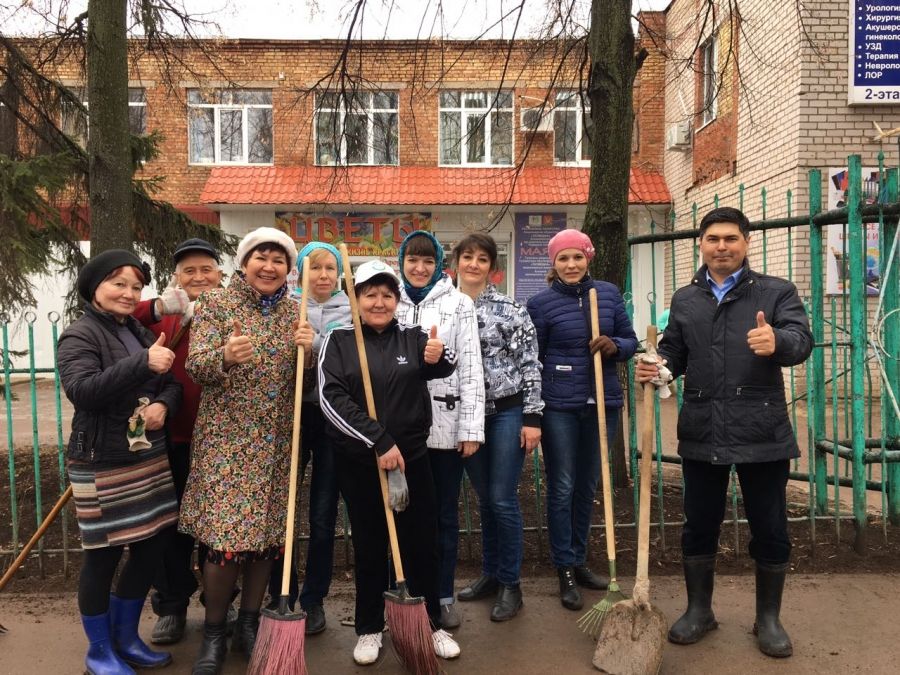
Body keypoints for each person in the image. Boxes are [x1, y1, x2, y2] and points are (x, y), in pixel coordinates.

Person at [635, 206, 813, 658]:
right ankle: (700, 611)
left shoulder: (776, 293)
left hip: (761, 429)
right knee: (699, 525)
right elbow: (674, 351)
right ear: (701, 244)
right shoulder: (686, 298)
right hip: (703, 428)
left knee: (770, 526)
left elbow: (801, 340)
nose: (721, 247)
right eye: (713, 239)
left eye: (730, 239)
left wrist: (778, 342)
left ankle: (768, 618)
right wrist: (659, 368)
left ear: (746, 243)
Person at [180, 227, 314, 675]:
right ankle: (214, 632)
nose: (270, 266)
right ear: (244, 262)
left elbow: (302, 383)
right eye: (261, 256)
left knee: (266, 543)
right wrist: (225, 355)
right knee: (225, 544)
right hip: (228, 445)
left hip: (277, 445)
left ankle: (250, 624)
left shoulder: (297, 313)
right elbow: (196, 366)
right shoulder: (216, 304)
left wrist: (308, 354)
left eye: (279, 259)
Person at [318, 260, 461, 665]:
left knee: (421, 543)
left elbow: (444, 363)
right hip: (361, 462)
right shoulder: (339, 341)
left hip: (412, 458)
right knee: (369, 544)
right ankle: (368, 627)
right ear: (356, 299)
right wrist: (378, 440)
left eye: (387, 295)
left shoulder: (414, 337)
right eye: (370, 294)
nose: (379, 302)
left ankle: (430, 623)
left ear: (396, 300)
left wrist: (436, 356)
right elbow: (332, 399)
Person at [58, 249, 182, 674]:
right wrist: (141, 364)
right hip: (101, 461)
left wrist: (163, 404)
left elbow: (171, 384)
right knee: (103, 556)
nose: (128, 294)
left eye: (135, 286)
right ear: (94, 288)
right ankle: (99, 650)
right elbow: (82, 390)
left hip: (144, 457)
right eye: (118, 284)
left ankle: (125, 638)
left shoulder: (135, 329)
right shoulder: (80, 335)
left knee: (150, 548)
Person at [526, 229, 638, 611]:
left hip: (601, 402)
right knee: (563, 485)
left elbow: (630, 340)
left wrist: (614, 346)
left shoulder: (606, 294)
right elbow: (533, 359)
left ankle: (580, 558)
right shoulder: (540, 304)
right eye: (563, 259)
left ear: (588, 257)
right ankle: (564, 569)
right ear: (553, 264)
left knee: (588, 484)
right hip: (560, 405)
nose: (571, 265)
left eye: (577, 257)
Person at [132, 238, 224, 645]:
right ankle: (171, 606)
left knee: (219, 528)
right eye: (189, 271)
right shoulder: (165, 314)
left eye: (207, 269)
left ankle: (222, 600)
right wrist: (156, 307)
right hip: (171, 437)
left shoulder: (233, 313)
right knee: (168, 527)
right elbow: (112, 314)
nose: (199, 277)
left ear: (220, 275)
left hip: (224, 441)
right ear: (176, 278)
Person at [395, 230, 485, 629]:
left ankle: (443, 594)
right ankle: (404, 593)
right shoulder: (386, 299)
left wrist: (470, 428)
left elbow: (470, 366)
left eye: (428, 260)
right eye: (412, 260)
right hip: (399, 432)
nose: (419, 267)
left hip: (446, 430)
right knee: (400, 515)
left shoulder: (458, 303)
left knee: (443, 517)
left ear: (438, 265)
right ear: (401, 262)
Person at [452, 233, 543, 622]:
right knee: (485, 499)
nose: (474, 264)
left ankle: (511, 583)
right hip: (464, 417)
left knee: (502, 498)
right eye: (467, 256)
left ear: (492, 267)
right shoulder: (445, 308)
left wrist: (532, 418)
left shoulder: (511, 310)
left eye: (482, 258)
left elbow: (530, 363)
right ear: (455, 262)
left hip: (506, 412)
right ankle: (490, 574)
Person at [266, 241, 351, 635]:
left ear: (339, 275)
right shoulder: (285, 309)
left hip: (332, 419)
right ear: (299, 271)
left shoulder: (350, 312)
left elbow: (351, 364)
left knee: (322, 513)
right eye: (314, 268)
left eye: (330, 269)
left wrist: (315, 345)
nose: (322, 276)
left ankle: (314, 598)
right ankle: (279, 590)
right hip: (292, 416)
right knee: (282, 510)